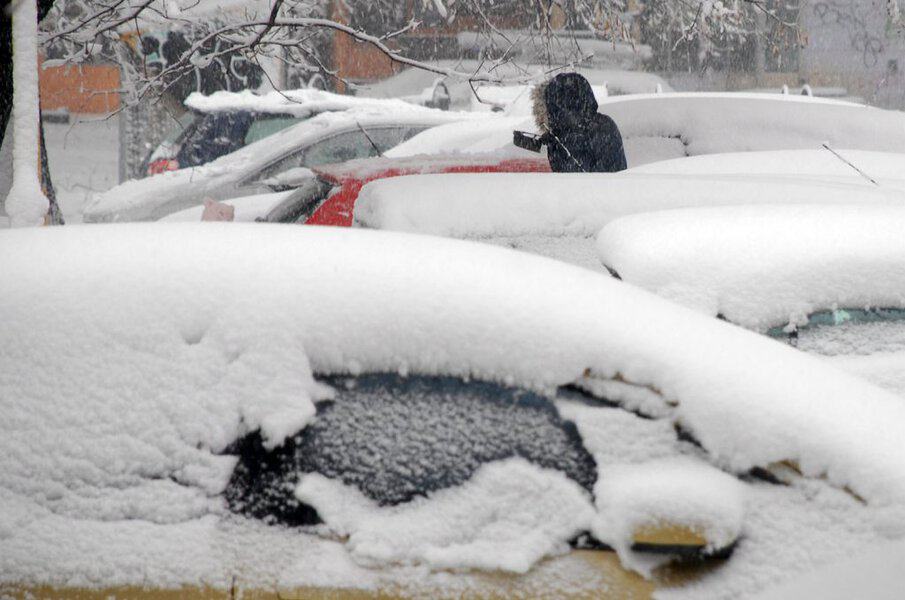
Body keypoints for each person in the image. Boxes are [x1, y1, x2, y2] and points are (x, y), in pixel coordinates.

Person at [530, 72, 627, 173]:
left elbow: (574, 176)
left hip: (593, 187)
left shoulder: (567, 137)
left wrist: (558, 145)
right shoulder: (605, 124)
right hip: (616, 186)